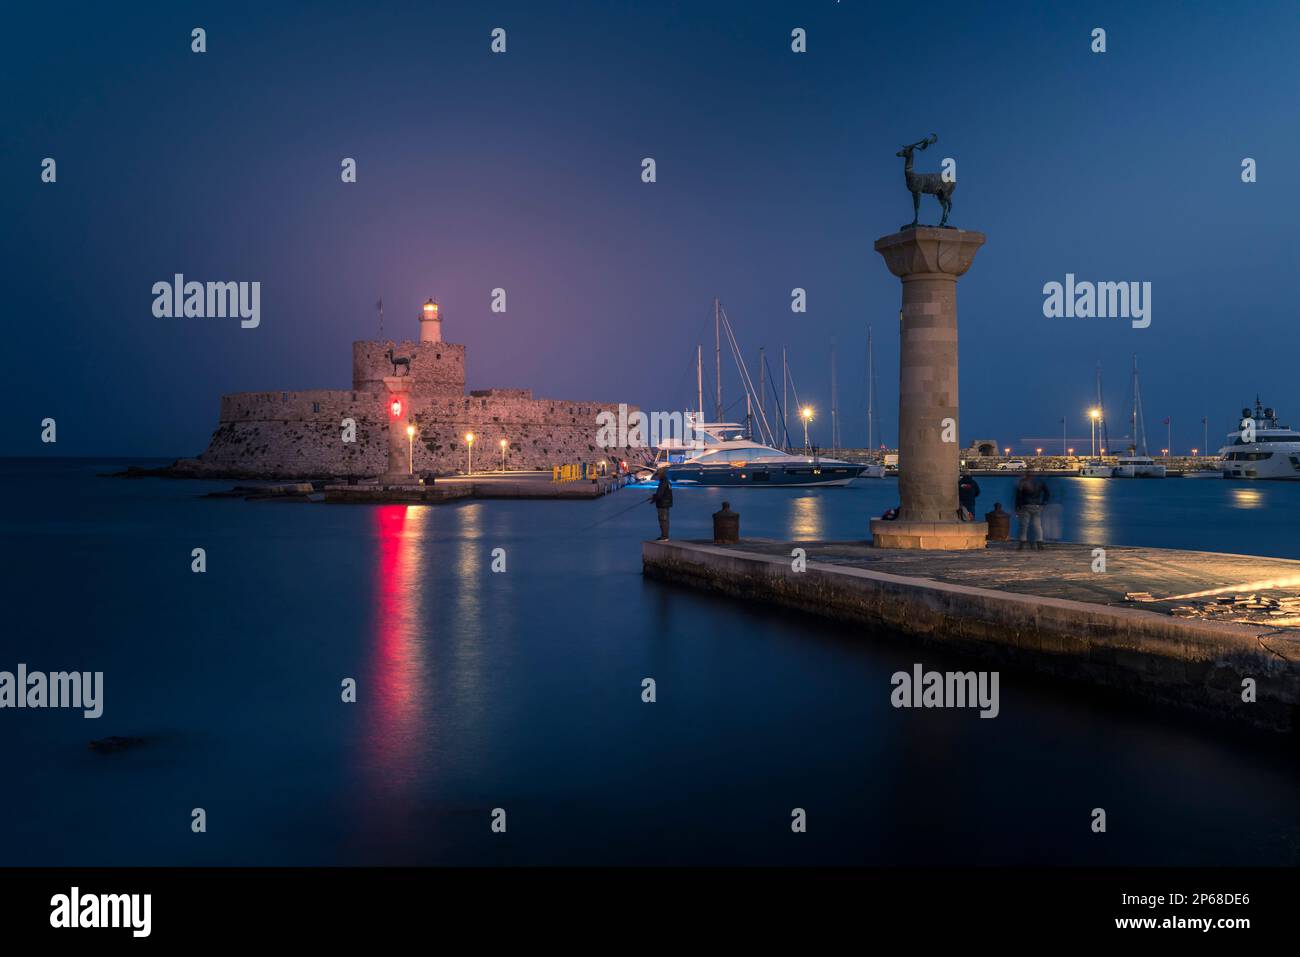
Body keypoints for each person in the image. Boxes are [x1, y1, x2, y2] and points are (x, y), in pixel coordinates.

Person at [1014, 469, 1050, 550]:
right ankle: (1039, 543)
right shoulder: (1040, 482)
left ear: (1026, 474)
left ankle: (1022, 543)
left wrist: (1017, 507)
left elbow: (1018, 496)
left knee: (1024, 525)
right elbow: (1047, 492)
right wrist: (1044, 503)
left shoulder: (1023, 482)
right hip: (1037, 505)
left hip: (1025, 505)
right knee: (1037, 525)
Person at [651, 470, 673, 541]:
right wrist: (654, 497)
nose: (657, 476)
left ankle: (664, 536)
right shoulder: (667, 481)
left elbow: (660, 494)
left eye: (658, 475)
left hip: (663, 504)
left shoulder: (663, 482)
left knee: (663, 520)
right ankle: (664, 536)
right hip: (666, 504)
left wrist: (654, 498)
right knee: (664, 520)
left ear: (661, 475)